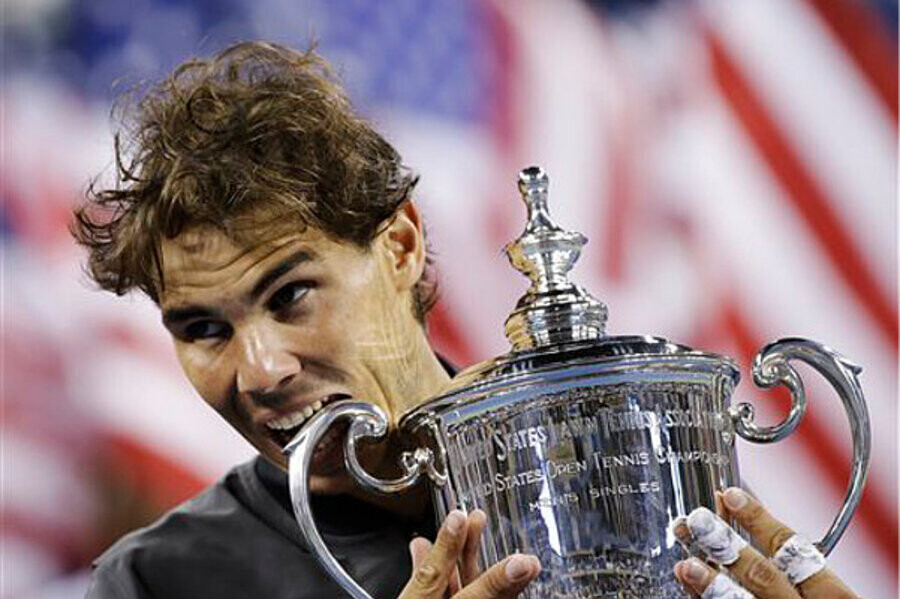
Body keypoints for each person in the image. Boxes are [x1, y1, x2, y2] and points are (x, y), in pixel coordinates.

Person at [73, 41, 858, 599]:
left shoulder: (627, 473)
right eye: (204, 329)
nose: (261, 371)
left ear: (401, 245)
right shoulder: (154, 583)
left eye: (291, 296)